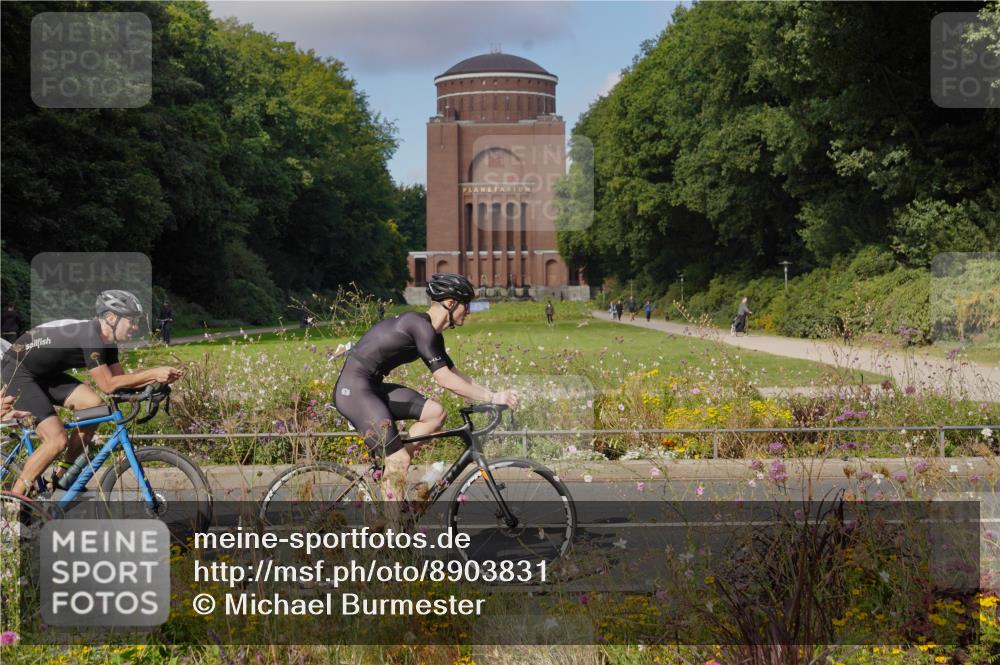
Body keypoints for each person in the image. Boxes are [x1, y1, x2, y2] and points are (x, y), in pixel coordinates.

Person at [334, 273, 518, 513]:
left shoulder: (431, 333)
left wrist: (494, 394)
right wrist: (493, 398)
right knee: (399, 459)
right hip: (354, 390)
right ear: (450, 304)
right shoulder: (419, 325)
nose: (469, 312)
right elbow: (444, 379)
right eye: (466, 305)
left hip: (372, 387)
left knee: (435, 413)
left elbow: (453, 372)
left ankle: (393, 469)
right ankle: (394, 542)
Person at [0, 290, 183, 495]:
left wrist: (153, 384)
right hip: (18, 371)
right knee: (56, 439)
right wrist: (153, 373)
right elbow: (108, 384)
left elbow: (120, 384)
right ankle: (14, 502)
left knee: (94, 406)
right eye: (131, 321)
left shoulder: (108, 342)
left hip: (45, 374)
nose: (135, 327)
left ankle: (62, 475)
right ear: (111, 318)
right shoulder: (90, 336)